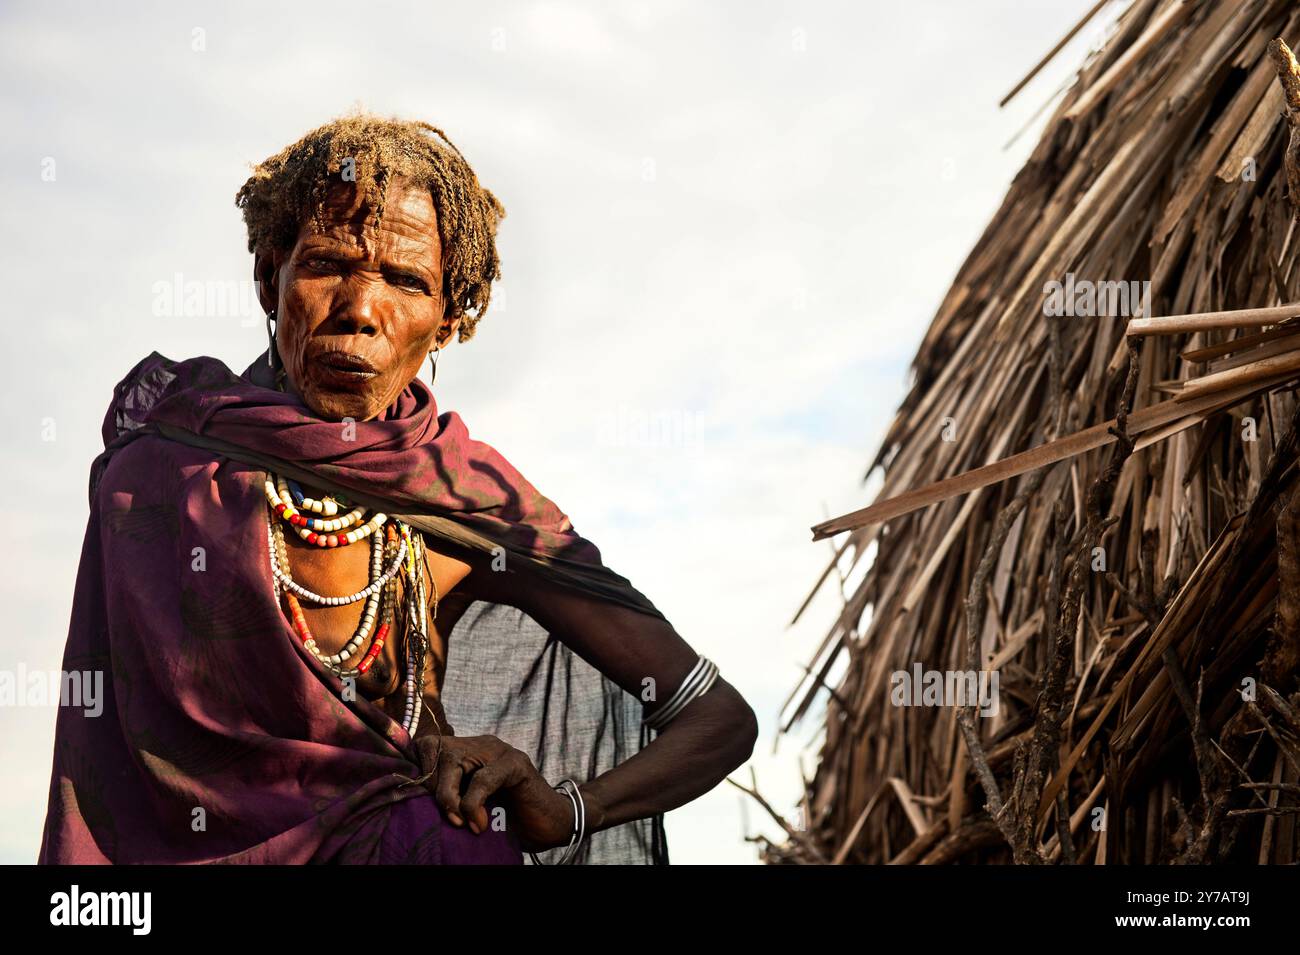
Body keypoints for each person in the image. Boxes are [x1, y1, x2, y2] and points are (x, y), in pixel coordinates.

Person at [37, 114, 758, 864]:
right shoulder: (165, 466)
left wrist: (571, 809)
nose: (360, 310)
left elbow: (717, 717)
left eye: (407, 281)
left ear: (447, 320)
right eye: (324, 264)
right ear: (268, 277)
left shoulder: (462, 494)